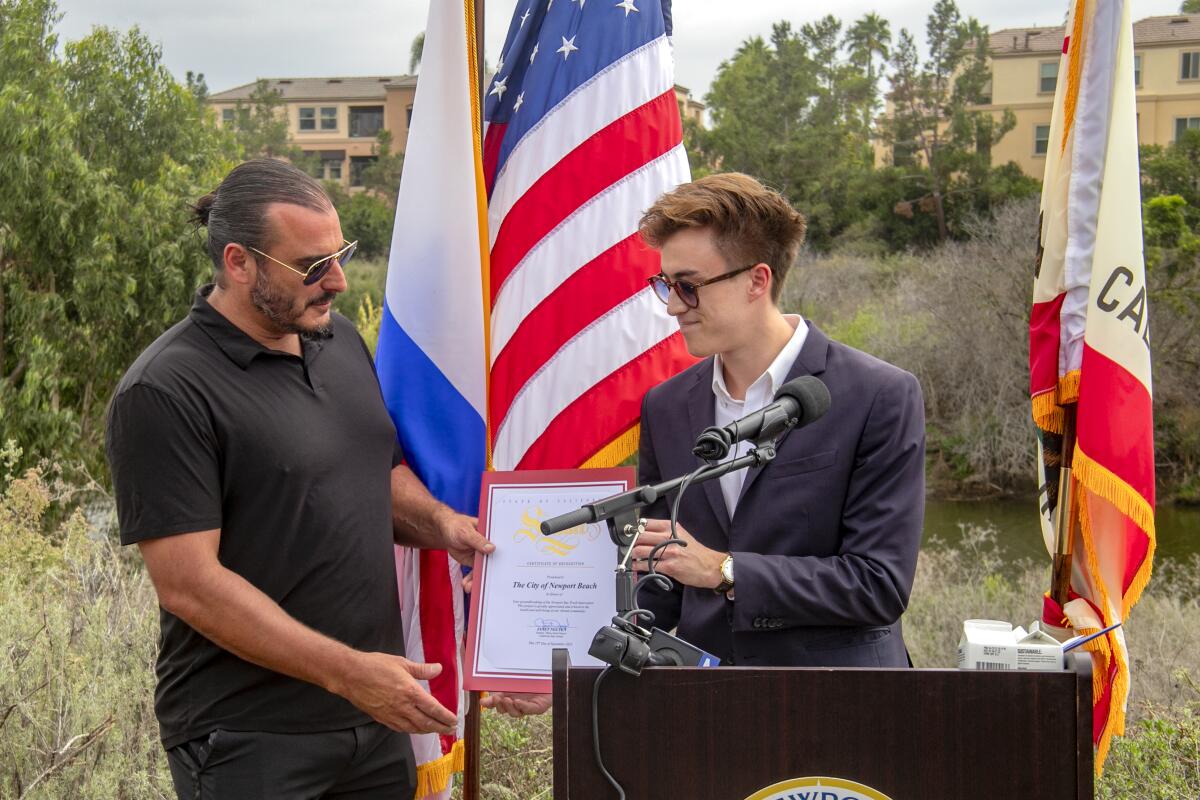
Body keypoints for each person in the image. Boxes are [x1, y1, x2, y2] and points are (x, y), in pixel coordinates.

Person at [105, 158, 493, 799]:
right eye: (312, 266)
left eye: (340, 254)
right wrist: (350, 673)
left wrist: (442, 525)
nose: (337, 280)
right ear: (238, 262)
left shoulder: (337, 339)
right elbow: (189, 586)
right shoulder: (164, 390)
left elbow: (376, 471)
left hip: (372, 717)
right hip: (247, 738)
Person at [629, 172, 925, 668]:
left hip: (844, 706)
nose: (674, 306)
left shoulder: (881, 395)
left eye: (689, 286)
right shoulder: (665, 406)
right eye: (666, 284)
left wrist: (725, 571)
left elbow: (879, 584)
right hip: (703, 707)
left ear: (757, 280)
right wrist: (541, 646)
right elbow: (660, 585)